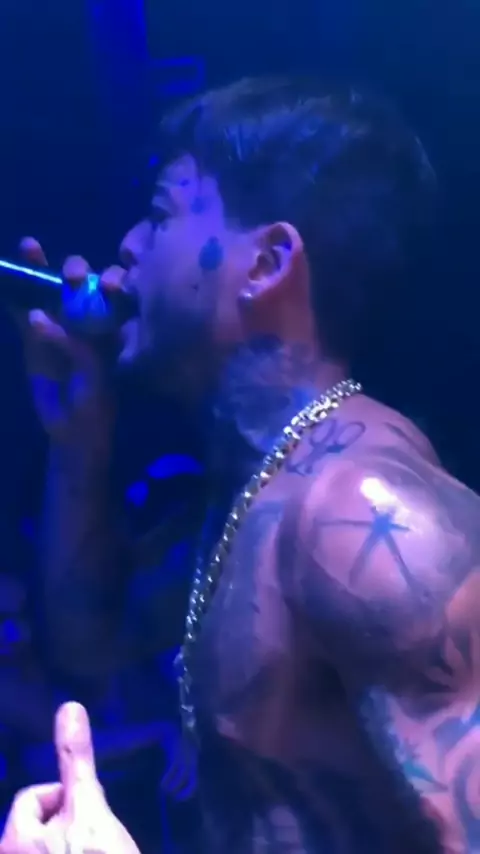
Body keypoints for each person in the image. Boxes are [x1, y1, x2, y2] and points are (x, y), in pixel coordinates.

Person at [1, 75, 479, 854]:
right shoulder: (248, 497)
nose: (128, 247)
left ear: (265, 264)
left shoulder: (362, 517)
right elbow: (91, 638)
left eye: (160, 215)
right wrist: (80, 443)